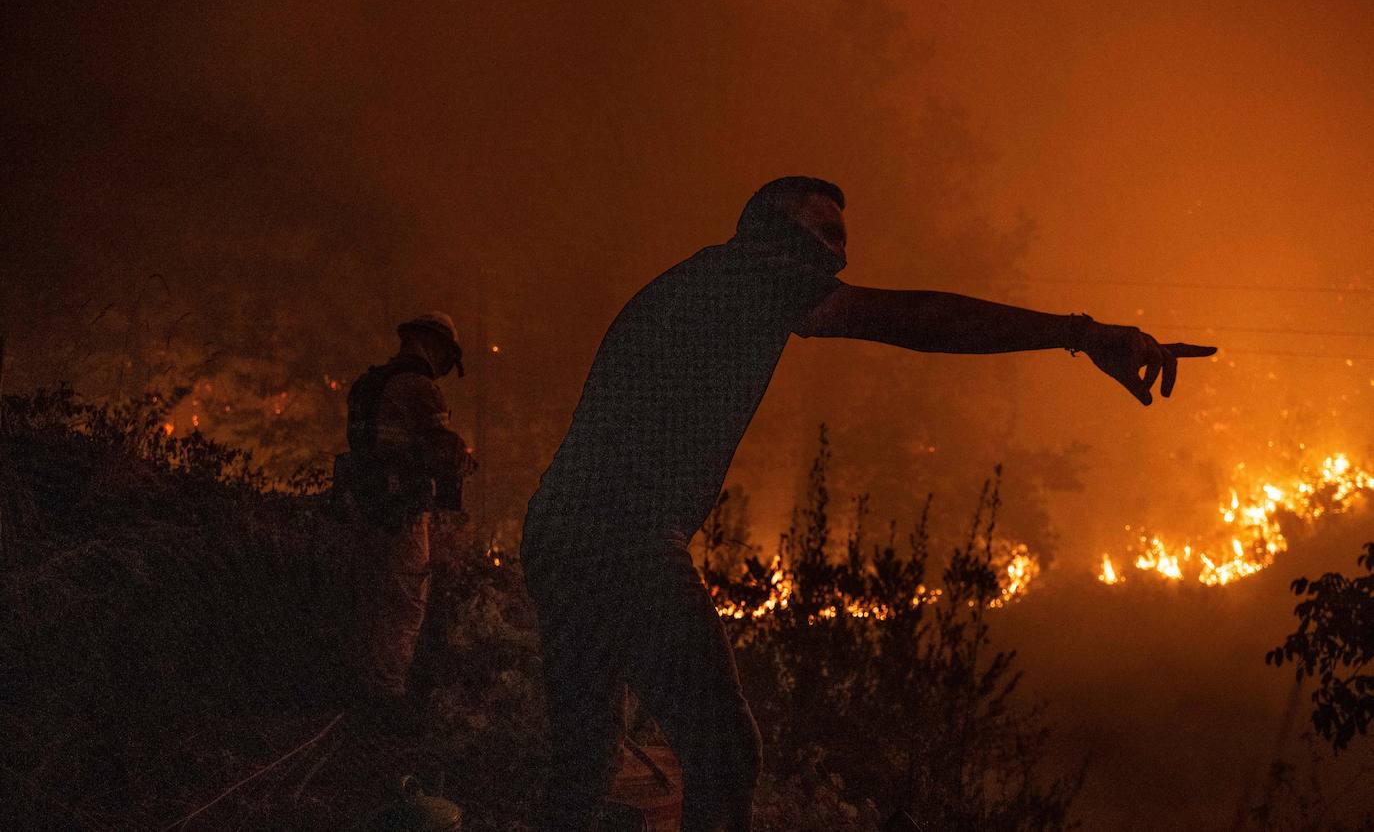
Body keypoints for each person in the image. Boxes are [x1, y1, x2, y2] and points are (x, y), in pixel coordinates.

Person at [519, 177, 1215, 832]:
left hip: (561, 527)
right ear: (772, 229)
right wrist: (1081, 333)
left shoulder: (703, 283)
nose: (839, 256)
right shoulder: (753, 272)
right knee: (724, 754)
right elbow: (916, 319)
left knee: (585, 766)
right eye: (826, 233)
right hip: (622, 537)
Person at [339, 311, 477, 714]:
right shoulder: (420, 389)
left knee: (369, 603)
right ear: (434, 345)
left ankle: (361, 691)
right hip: (401, 514)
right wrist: (460, 459)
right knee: (403, 605)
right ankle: (386, 700)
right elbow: (439, 454)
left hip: (361, 507)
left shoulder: (368, 385)